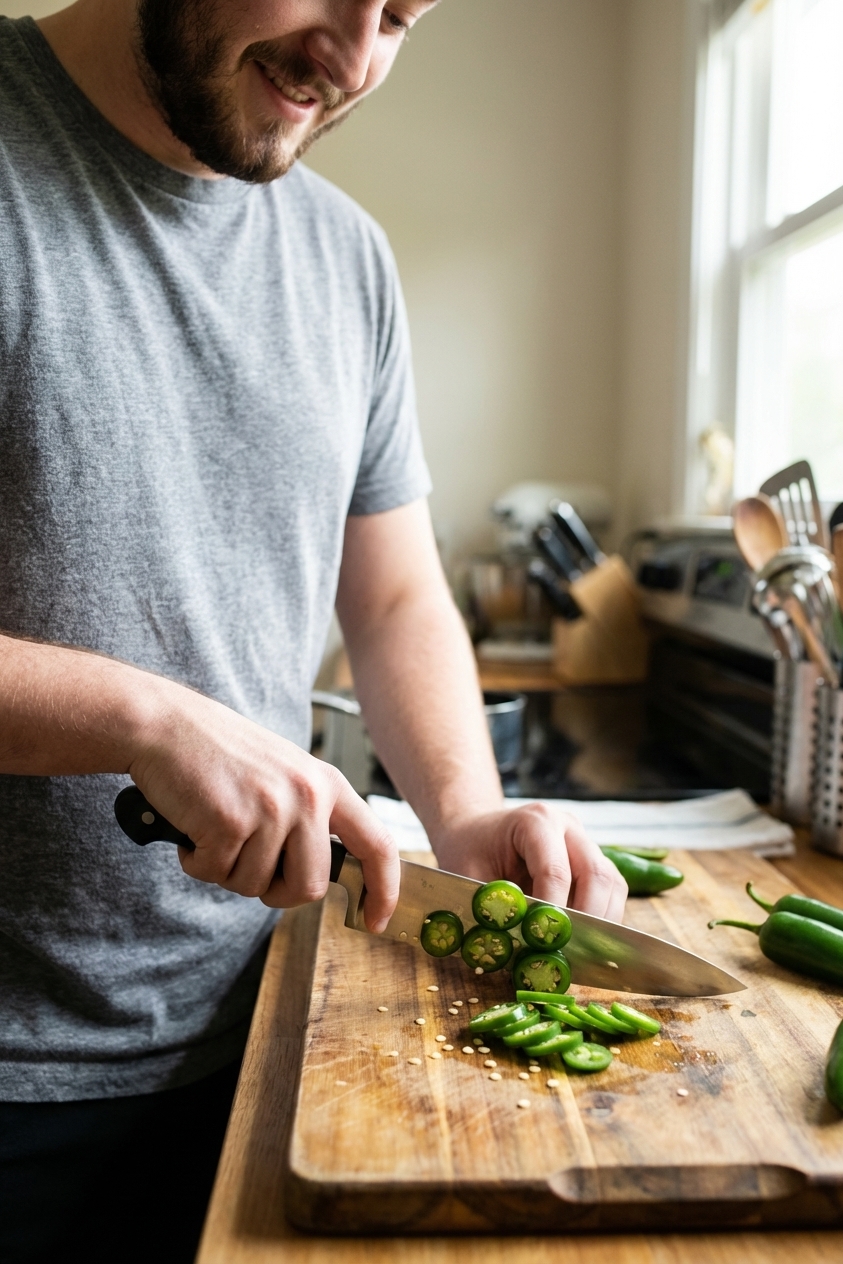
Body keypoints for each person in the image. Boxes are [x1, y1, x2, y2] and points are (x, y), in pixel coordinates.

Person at [0, 1, 628, 1259]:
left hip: (270, 1033)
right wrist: (142, 715)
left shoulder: (349, 261)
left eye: (399, 15)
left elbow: (393, 596)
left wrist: (464, 811)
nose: (349, 58)